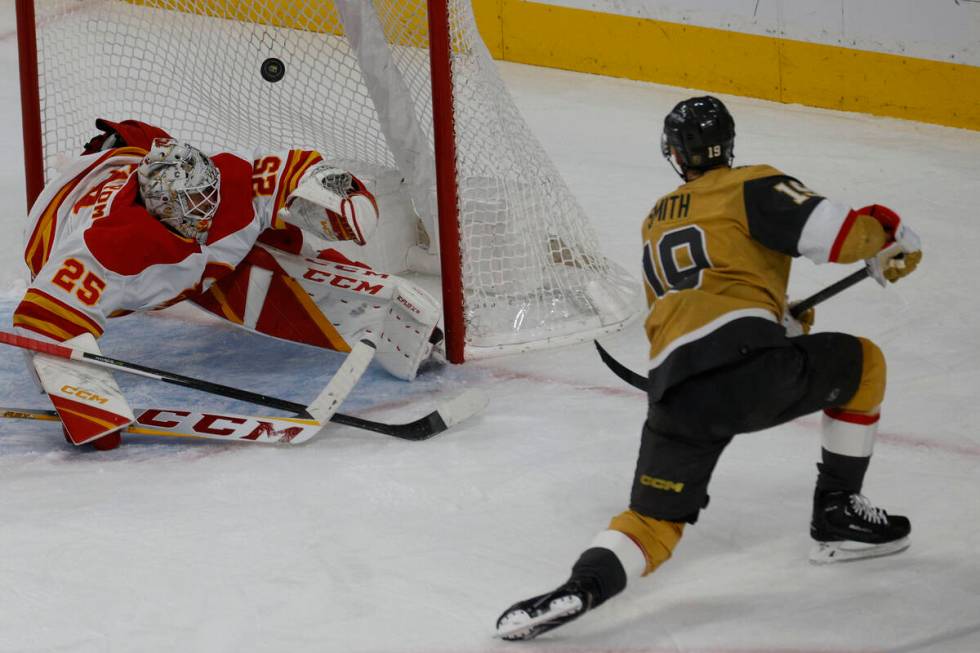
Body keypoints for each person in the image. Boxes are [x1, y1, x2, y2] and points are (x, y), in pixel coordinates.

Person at [494, 96, 923, 640]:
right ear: (730, 142)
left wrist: (777, 320)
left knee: (653, 523)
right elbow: (840, 234)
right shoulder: (752, 185)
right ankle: (838, 510)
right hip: (747, 369)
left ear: (675, 154)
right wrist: (886, 231)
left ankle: (580, 588)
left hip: (674, 389)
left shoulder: (655, 219)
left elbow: (693, 303)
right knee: (864, 364)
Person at [14, 119, 443, 450]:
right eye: (190, 210)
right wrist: (91, 413)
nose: (204, 218)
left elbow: (300, 173)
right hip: (57, 219)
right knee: (69, 323)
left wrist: (343, 205)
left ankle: (389, 321)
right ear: (156, 209)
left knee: (270, 251)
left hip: (128, 159)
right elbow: (42, 319)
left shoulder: (228, 183)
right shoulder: (106, 249)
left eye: (208, 200)